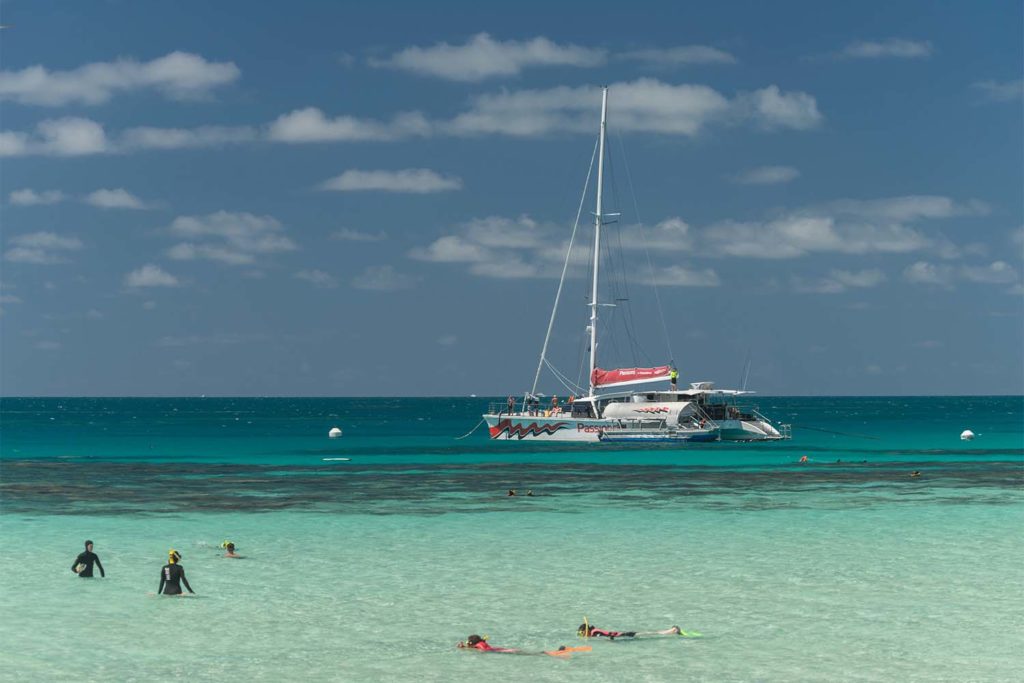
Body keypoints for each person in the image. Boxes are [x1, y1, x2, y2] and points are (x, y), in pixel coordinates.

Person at [577, 623, 681, 640]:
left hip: (625, 635)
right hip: (623, 636)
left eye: (581, 633)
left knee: (652, 633)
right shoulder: (594, 632)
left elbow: (606, 636)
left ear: (586, 631)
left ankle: (673, 630)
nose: (582, 635)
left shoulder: (595, 633)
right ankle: (672, 630)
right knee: (650, 634)